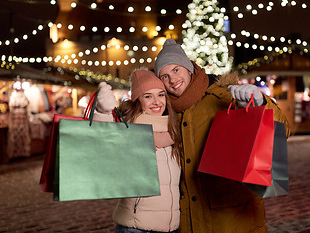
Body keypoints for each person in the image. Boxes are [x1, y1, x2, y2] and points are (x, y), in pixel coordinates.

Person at [153, 39, 290, 233]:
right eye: (164, 76)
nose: (172, 79)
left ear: (189, 67)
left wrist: (260, 104)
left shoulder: (224, 96)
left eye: (176, 70)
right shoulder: (166, 111)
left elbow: (282, 131)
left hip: (233, 220)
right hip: (190, 221)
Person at [93, 68, 182, 233]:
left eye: (161, 94)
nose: (157, 102)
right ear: (137, 100)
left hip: (172, 228)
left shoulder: (174, 131)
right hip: (137, 228)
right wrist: (102, 112)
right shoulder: (130, 130)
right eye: (148, 96)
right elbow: (104, 142)